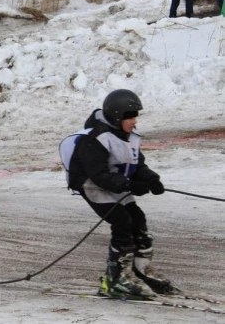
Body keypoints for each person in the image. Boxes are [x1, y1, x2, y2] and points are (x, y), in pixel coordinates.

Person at [59, 89, 174, 300]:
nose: (134, 121)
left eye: (135, 116)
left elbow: (138, 164)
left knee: (137, 219)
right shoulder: (95, 139)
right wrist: (130, 184)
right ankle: (115, 278)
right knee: (122, 222)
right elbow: (99, 175)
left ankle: (141, 270)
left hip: (117, 184)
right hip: (93, 186)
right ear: (116, 116)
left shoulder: (129, 137)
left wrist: (151, 179)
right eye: (129, 116)